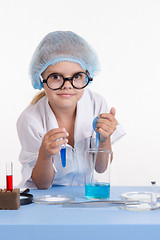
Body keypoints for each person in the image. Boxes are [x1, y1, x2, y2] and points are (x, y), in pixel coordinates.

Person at [17, 31, 125, 189]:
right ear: (41, 78)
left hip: (83, 194)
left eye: (76, 76)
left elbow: (101, 168)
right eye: (55, 77)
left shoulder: (96, 103)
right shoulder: (30, 120)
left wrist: (104, 140)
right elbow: (42, 184)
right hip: (44, 198)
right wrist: (45, 155)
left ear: (87, 76)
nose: (67, 85)